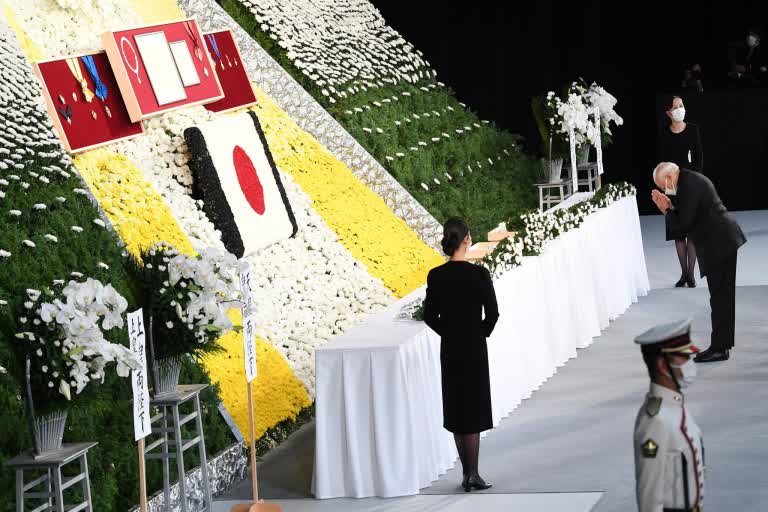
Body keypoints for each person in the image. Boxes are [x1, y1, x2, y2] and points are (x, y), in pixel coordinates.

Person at [423, 217, 499, 492]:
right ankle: (473, 474)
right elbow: (493, 314)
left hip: (451, 348)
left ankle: (466, 473)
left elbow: (429, 316)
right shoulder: (479, 275)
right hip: (474, 348)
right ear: (467, 239)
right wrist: (479, 333)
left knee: (457, 408)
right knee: (474, 408)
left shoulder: (436, 276)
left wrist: (449, 333)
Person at [651, 162, 747, 362]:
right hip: (721, 240)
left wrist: (667, 209)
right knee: (722, 297)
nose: (664, 190)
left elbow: (684, 224)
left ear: (669, 177)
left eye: (663, 186)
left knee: (721, 298)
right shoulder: (688, 181)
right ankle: (722, 346)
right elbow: (687, 218)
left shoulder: (690, 184)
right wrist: (669, 208)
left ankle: (720, 348)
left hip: (720, 242)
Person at [634, 318, 705, 512]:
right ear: (664, 366)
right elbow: (649, 494)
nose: (690, 363)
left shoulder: (675, 406)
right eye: (684, 357)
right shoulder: (655, 421)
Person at [657, 96, 703, 288]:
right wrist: (665, 187)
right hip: (671, 186)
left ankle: (691, 274)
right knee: (678, 232)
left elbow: (699, 157)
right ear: (668, 113)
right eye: (675, 107)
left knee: (691, 231)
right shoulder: (665, 134)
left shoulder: (693, 130)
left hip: (690, 183)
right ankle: (683, 274)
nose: (680, 109)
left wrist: (696, 181)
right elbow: (662, 162)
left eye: (681, 105)